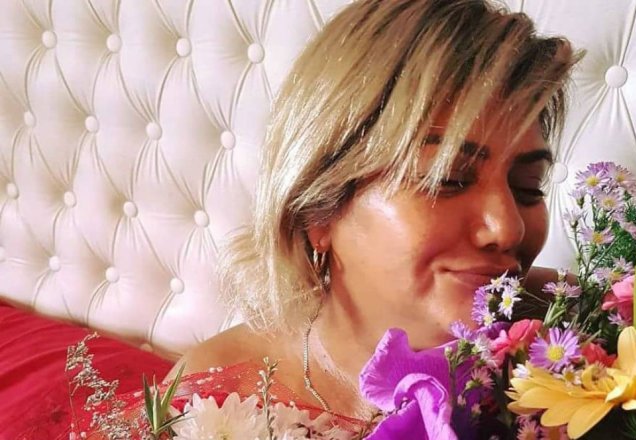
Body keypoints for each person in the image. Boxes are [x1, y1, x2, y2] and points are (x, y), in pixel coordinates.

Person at [74, 0, 581, 437]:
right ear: (319, 209)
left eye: (527, 188)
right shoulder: (216, 399)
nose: (508, 228)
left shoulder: (582, 335)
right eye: (445, 179)